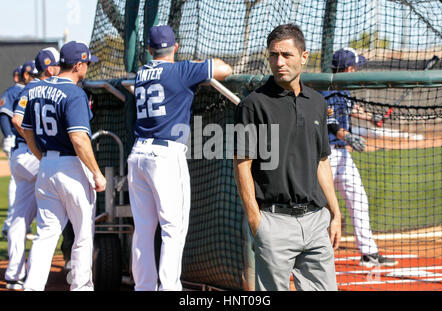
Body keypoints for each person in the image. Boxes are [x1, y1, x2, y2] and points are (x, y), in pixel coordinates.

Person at [233, 23, 341, 291]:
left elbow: (322, 161)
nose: (278, 62)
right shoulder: (252, 105)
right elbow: (242, 165)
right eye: (273, 55)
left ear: (303, 57)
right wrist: (255, 220)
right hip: (273, 221)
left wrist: (335, 213)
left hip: (316, 221)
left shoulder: (317, 102)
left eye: (286, 55)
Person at [127, 24, 232, 291]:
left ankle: (144, 287)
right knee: (173, 228)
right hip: (165, 155)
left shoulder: (141, 73)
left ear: (150, 49)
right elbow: (224, 68)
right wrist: (194, 63)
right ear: (175, 46)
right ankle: (169, 288)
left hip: (138, 153)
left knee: (143, 230)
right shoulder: (181, 70)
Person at [21, 41, 107, 291]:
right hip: (71, 167)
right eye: (87, 63)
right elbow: (79, 138)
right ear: (78, 64)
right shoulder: (74, 93)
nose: (88, 68)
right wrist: (97, 174)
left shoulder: (36, 88)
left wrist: (42, 158)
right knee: (82, 236)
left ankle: (32, 287)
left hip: (47, 165)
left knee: (45, 235)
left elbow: (26, 130)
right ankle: (81, 288)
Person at [321, 47, 398, 268]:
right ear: (348, 68)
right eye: (355, 66)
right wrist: (350, 137)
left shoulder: (344, 88)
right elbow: (331, 122)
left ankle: (369, 253)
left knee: (359, 199)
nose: (357, 70)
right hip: (323, 158)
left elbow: (349, 107)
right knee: (318, 208)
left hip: (342, 156)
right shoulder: (324, 90)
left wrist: (371, 117)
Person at [3, 50, 61, 290]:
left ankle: (14, 274)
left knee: (19, 216)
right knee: (64, 207)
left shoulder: (26, 90)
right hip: (35, 155)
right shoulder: (46, 89)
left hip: (19, 158)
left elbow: (14, 118)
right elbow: (14, 120)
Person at [0, 66, 24, 238]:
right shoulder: (14, 91)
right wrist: (8, 136)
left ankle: (17, 223)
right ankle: (10, 223)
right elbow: (4, 114)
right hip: (19, 143)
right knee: (17, 182)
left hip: (26, 144)